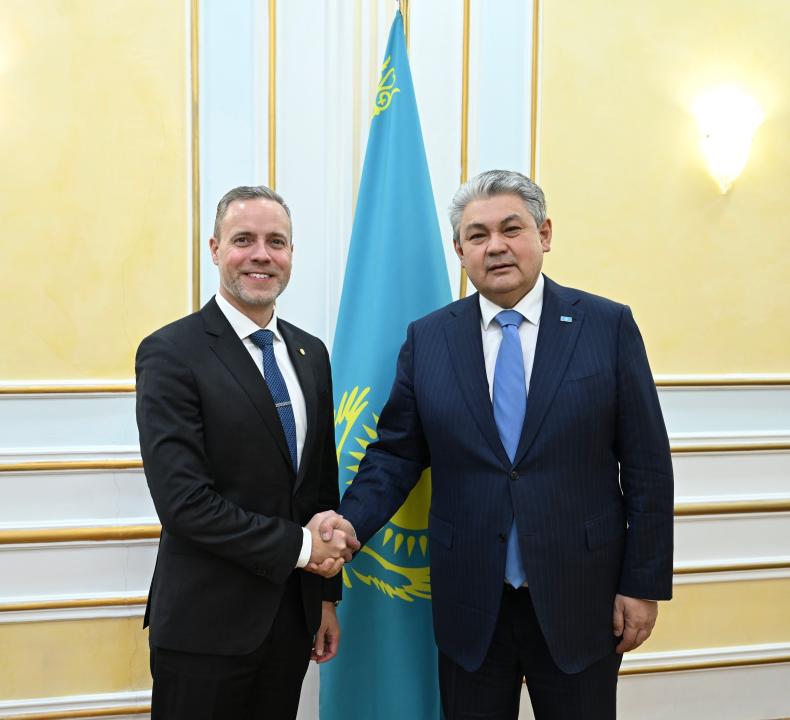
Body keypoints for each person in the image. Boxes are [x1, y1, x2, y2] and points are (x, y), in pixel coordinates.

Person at [319, 170, 674, 719]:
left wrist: (643, 583)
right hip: (470, 601)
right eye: (478, 235)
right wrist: (349, 525)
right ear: (459, 251)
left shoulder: (606, 326)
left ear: (544, 234)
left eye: (512, 229)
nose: (496, 246)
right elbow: (396, 454)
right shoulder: (429, 338)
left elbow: (648, 466)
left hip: (583, 597)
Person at [136, 185, 358, 720]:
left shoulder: (310, 352)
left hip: (291, 621)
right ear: (215, 249)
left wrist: (326, 597)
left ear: (291, 254)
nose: (262, 254)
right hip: (204, 629)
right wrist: (304, 549)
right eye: (244, 240)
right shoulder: (171, 352)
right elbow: (185, 504)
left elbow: (319, 486)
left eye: (276, 241)